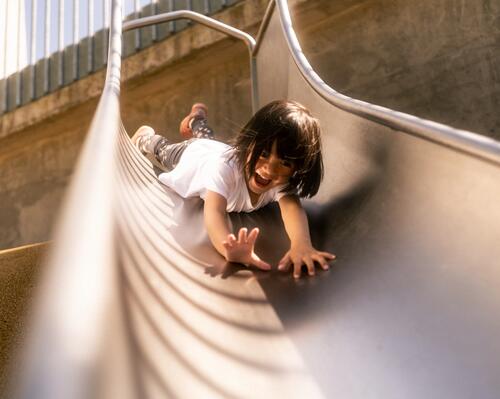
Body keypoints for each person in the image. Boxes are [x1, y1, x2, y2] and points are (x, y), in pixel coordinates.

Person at [132, 100, 335, 278]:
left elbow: (293, 210)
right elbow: (213, 213)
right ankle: (147, 137)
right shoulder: (224, 170)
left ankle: (197, 119)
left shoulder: (281, 180)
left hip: (215, 149)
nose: (270, 168)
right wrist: (226, 247)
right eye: (263, 153)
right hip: (193, 156)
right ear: (249, 143)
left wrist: (301, 244)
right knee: (165, 151)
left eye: (285, 162)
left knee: (207, 138)